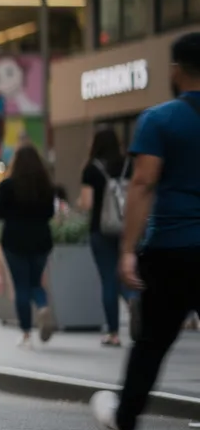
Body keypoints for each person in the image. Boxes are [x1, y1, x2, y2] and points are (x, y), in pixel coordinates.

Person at [92, 34, 200, 430]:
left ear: (175, 70)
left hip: (171, 249)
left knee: (152, 344)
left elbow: (142, 183)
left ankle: (124, 426)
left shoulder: (159, 119)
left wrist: (127, 250)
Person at [77, 127, 136, 347]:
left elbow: (87, 203)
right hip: (127, 227)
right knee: (126, 273)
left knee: (108, 279)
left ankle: (113, 333)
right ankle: (133, 300)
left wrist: (79, 203)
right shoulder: (129, 165)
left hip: (100, 230)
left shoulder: (91, 169)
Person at [0, 145, 56, 348]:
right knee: (35, 282)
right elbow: (49, 214)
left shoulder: (8, 186)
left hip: (14, 240)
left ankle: (27, 334)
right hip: (41, 241)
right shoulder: (45, 185)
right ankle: (43, 306)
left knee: (21, 285)